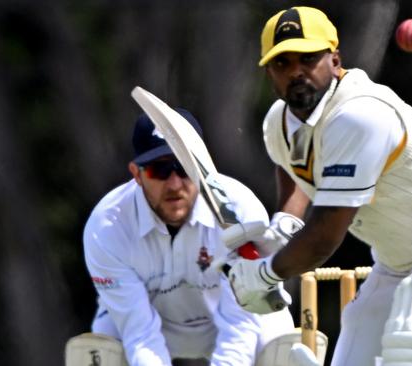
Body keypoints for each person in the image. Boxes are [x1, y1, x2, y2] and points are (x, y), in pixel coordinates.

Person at [223, 6, 412, 366]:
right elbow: (292, 168)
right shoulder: (277, 123)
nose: (296, 71)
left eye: (308, 58)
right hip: (400, 260)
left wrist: (266, 273)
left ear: (335, 58)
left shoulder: (358, 116)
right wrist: (284, 225)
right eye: (283, 63)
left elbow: (324, 237)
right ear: (268, 73)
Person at [82, 111, 294, 366]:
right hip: (153, 325)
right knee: (96, 351)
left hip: (230, 320)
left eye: (183, 167)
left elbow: (240, 325)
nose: (174, 184)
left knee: (282, 347)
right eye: (158, 170)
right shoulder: (107, 226)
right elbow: (139, 334)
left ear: (201, 167)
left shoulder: (239, 209)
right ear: (136, 174)